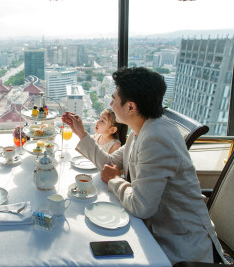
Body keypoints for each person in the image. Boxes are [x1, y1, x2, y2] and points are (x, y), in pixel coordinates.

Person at [62, 67, 227, 265]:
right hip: (155, 227)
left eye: (114, 98)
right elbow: (110, 164)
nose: (111, 104)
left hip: (179, 244)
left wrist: (115, 180)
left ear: (131, 107)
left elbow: (141, 207)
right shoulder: (142, 128)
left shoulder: (156, 137)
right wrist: (81, 133)